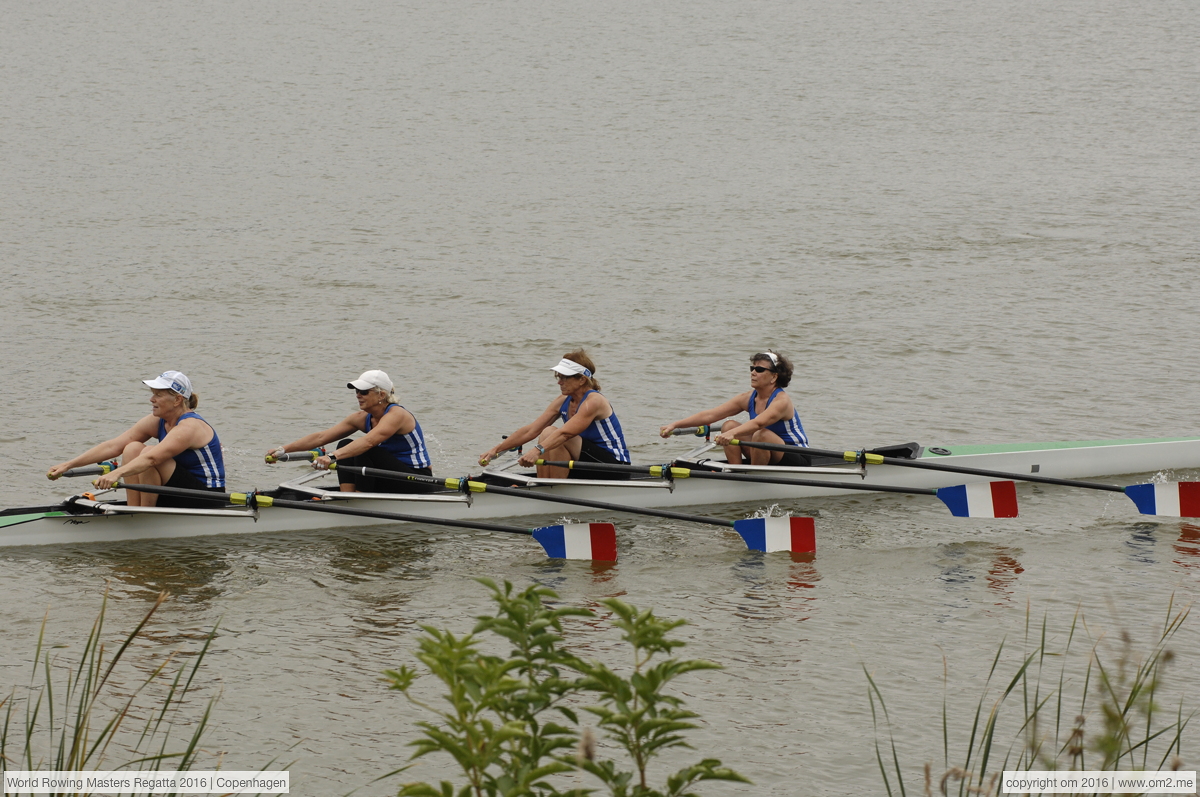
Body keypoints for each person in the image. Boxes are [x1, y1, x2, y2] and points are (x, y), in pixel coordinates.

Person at [47, 371, 226, 507]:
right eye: (152, 393)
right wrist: (68, 465)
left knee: (148, 452)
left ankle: (145, 517)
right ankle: (135, 510)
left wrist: (116, 473)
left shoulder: (190, 426)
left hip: (208, 497)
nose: (151, 399)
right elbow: (113, 446)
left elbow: (152, 459)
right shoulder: (158, 421)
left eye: (158, 394)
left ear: (177, 400)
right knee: (132, 447)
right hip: (177, 490)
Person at [266, 370, 433, 493]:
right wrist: (283, 450)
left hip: (417, 479)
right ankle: (348, 497)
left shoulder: (397, 415)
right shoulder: (361, 418)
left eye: (364, 392)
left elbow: (369, 442)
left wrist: (331, 457)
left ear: (381, 394)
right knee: (345, 444)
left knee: (365, 449)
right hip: (387, 476)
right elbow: (321, 437)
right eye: (356, 391)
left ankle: (358, 500)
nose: (358, 395)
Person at [479, 350, 631, 480]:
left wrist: (536, 451)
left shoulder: (594, 401)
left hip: (614, 467)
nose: (559, 382)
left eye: (565, 377)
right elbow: (531, 430)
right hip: (586, 462)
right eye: (558, 377)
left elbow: (565, 434)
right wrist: (496, 450)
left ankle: (553, 488)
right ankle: (546, 486)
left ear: (582, 380)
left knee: (553, 433)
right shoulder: (563, 401)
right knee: (546, 432)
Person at [659, 350, 810, 466]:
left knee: (760, 434)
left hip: (796, 457)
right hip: (764, 452)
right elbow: (711, 415)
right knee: (728, 425)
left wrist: (731, 434)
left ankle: (754, 481)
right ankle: (735, 473)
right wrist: (675, 425)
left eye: (759, 370)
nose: (753, 372)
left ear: (774, 377)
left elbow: (758, 424)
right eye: (752, 368)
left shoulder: (781, 401)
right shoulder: (748, 398)